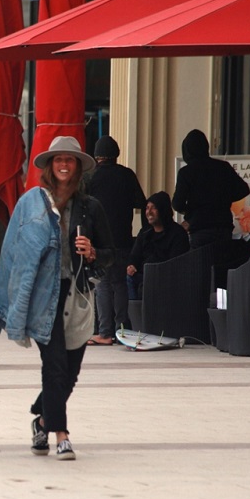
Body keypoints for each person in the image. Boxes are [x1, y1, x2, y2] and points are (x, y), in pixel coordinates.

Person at [0, 136, 114, 461]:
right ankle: (62, 435)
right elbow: (13, 250)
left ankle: (42, 419)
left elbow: (112, 253)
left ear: (77, 167)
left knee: (70, 372)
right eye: (58, 159)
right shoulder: (32, 202)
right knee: (55, 366)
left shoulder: (90, 207)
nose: (63, 164)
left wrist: (94, 252)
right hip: (44, 298)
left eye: (69, 160)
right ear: (49, 165)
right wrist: (9, 301)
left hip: (76, 297)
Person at [83, 135, 146, 345]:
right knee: (120, 284)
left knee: (102, 284)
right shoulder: (127, 175)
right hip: (123, 237)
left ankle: (105, 332)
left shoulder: (91, 177)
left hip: (101, 241)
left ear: (97, 156)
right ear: (116, 154)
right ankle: (121, 331)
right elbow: (140, 202)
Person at [172, 129, 250, 249]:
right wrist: (223, 200)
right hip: (223, 226)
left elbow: (177, 204)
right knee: (222, 262)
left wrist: (192, 210)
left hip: (199, 227)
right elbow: (243, 189)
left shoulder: (186, 173)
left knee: (200, 264)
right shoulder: (223, 167)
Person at [126, 191, 190, 299]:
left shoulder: (177, 234)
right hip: (144, 276)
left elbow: (176, 263)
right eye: (147, 208)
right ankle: (135, 313)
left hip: (166, 279)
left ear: (162, 209)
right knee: (128, 278)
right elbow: (134, 255)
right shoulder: (145, 232)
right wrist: (131, 265)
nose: (149, 212)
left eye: (154, 208)